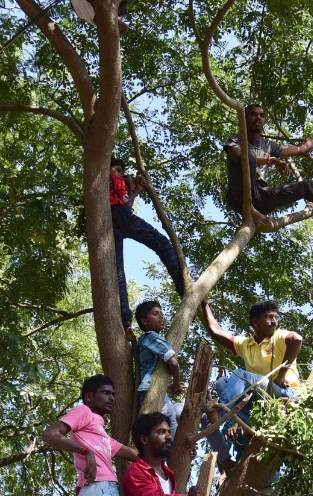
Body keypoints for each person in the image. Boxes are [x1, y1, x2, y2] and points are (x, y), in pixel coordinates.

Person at [199, 298, 301, 471]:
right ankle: (229, 449)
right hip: (260, 400)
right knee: (222, 383)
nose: (274, 321)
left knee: (240, 374)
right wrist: (204, 304)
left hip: (284, 393)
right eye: (269, 317)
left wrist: (281, 375)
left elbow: (296, 339)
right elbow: (216, 332)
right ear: (255, 321)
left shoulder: (278, 336)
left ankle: (222, 416)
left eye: (276, 317)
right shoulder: (246, 344)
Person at [223, 103, 313, 231]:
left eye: (262, 115)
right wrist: (272, 161)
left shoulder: (270, 145)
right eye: (253, 114)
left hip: (260, 196)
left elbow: (301, 149)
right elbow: (242, 158)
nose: (258, 118)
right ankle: (250, 209)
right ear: (245, 118)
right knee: (248, 158)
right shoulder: (236, 139)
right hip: (238, 195)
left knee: (308, 186)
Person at [109, 159, 186, 340]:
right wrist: (127, 183)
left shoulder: (112, 183)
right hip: (120, 217)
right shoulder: (109, 178)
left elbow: (125, 204)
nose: (119, 173)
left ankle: (125, 322)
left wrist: (135, 190)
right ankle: (184, 287)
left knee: (118, 272)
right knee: (162, 244)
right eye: (117, 169)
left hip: (115, 220)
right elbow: (121, 204)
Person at [134, 300, 184, 433]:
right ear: (144, 321)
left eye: (161, 313)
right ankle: (171, 453)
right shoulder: (151, 337)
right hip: (151, 389)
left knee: (180, 413)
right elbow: (173, 363)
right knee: (169, 424)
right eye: (155, 314)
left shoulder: (144, 340)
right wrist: (177, 384)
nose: (161, 316)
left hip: (149, 389)